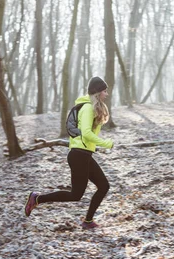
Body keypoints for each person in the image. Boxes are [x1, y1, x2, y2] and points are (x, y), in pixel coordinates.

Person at [24, 77, 114, 229]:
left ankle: (88, 221)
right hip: (79, 155)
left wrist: (94, 145)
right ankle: (37, 199)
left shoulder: (92, 108)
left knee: (104, 186)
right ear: (97, 92)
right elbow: (85, 133)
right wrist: (106, 144)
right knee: (75, 195)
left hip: (84, 154)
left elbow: (86, 134)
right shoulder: (87, 108)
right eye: (104, 91)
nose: (106, 94)